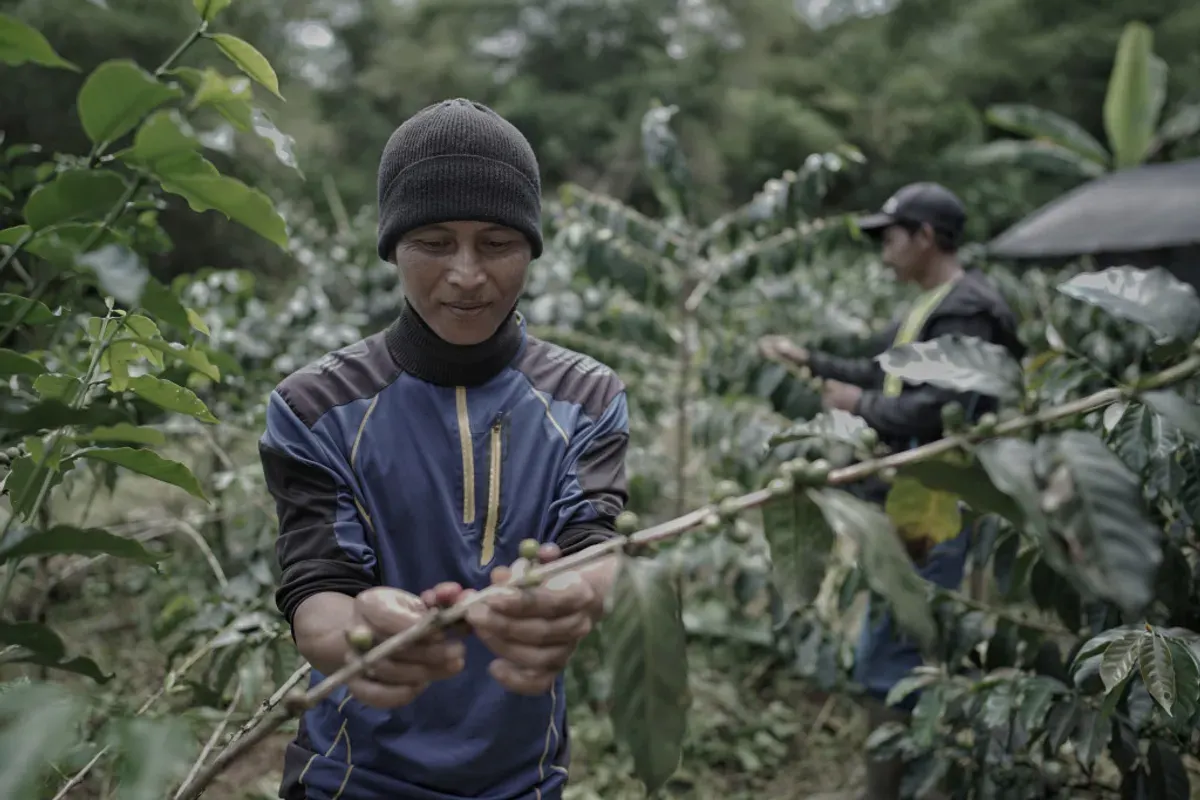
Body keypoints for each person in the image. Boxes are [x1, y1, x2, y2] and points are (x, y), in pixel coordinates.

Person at [258, 98, 629, 800]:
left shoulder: (586, 395)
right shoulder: (315, 406)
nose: (466, 274)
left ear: (531, 247)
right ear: (392, 247)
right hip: (351, 779)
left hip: (521, 782)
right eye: (433, 242)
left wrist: (574, 594)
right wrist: (359, 638)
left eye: (497, 243)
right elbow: (318, 582)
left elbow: (595, 539)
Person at [758, 182, 1025, 800]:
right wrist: (811, 361)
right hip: (908, 494)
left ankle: (901, 785)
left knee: (896, 644)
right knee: (896, 634)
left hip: (935, 501)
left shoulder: (968, 310)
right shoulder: (932, 305)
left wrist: (861, 406)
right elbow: (882, 375)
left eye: (891, 237)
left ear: (925, 237)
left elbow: (945, 409)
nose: (883, 251)